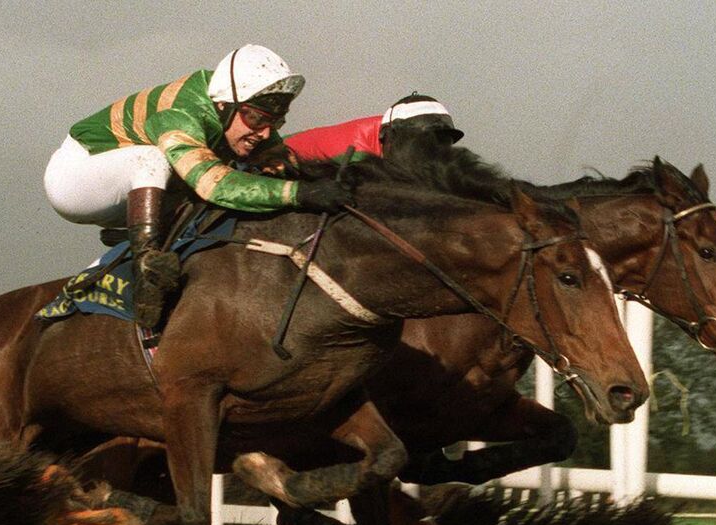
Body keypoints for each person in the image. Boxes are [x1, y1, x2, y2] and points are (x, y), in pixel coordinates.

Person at [44, 45, 353, 328]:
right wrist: (298, 195)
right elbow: (214, 184)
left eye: (275, 121)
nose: (263, 132)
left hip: (130, 185)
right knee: (156, 160)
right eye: (257, 119)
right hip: (76, 178)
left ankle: (137, 242)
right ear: (224, 105)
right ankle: (147, 269)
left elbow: (284, 160)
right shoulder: (181, 113)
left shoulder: (237, 107)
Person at [282, 92, 464, 164]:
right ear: (390, 137)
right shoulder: (358, 154)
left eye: (443, 145)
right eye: (423, 146)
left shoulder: (394, 125)